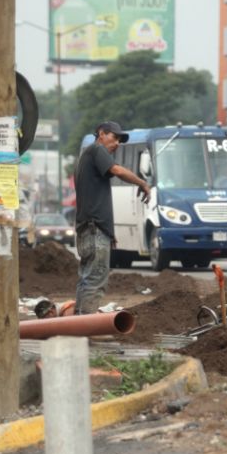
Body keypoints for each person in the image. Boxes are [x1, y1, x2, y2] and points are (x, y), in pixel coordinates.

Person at [74, 121, 151, 314]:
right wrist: (142, 183)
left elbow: (95, 201)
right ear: (101, 134)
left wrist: (109, 233)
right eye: (114, 137)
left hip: (90, 228)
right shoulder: (96, 150)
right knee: (95, 279)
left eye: (119, 140)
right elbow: (117, 170)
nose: (117, 143)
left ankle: (78, 323)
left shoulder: (87, 158)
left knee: (87, 278)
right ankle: (85, 325)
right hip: (93, 229)